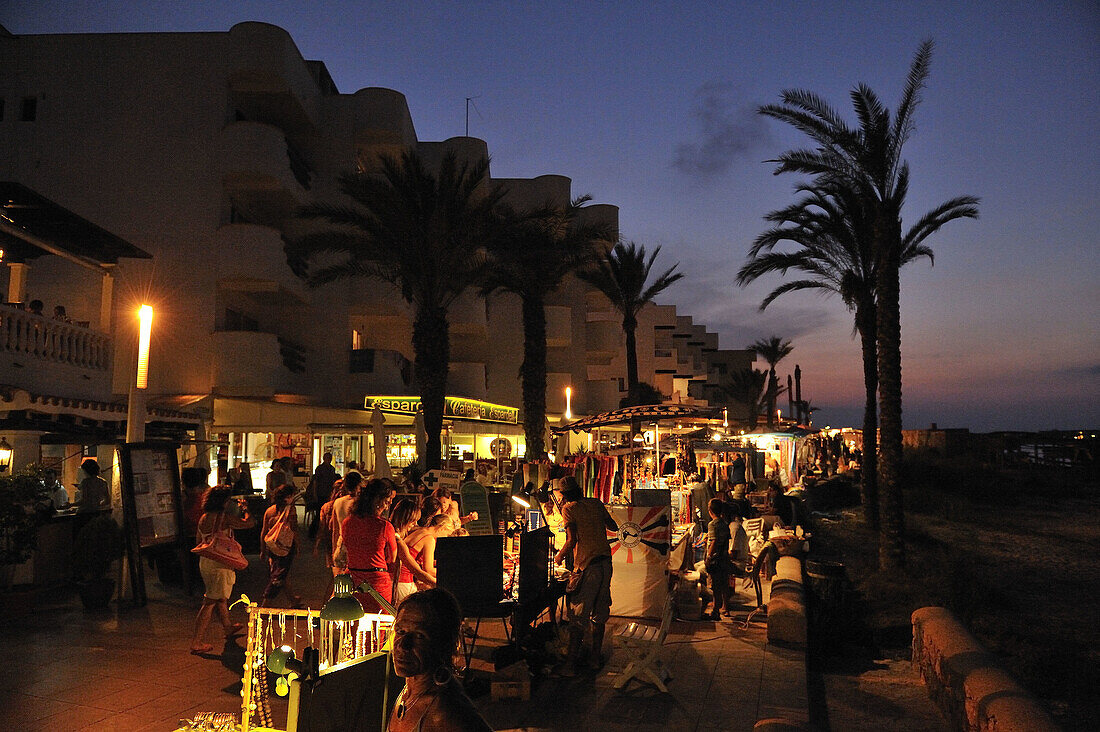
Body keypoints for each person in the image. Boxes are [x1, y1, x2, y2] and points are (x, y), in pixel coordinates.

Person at [388, 588, 492, 732]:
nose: (403, 645)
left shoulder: (445, 710)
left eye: (419, 635)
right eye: (400, 631)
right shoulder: (409, 693)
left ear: (443, 643)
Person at [553, 475, 618, 676]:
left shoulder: (568, 509)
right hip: (605, 562)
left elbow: (571, 540)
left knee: (578, 615)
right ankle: (595, 660)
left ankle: (570, 666)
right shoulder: (596, 503)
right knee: (599, 614)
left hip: (588, 566)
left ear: (564, 495)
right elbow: (613, 526)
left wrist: (558, 557)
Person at [190, 486, 254, 653]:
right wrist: (245, 508)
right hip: (220, 564)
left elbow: (199, 540)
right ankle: (197, 642)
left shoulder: (203, 518)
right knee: (209, 601)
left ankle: (228, 627)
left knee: (220, 598)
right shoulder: (224, 518)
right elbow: (249, 523)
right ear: (224, 502)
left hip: (206, 562)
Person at [338, 478, 397, 612]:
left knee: (351, 625)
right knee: (378, 626)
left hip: (353, 579)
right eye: (387, 502)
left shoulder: (347, 522)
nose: (387, 506)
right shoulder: (384, 526)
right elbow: (391, 558)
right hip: (377, 583)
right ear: (378, 501)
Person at [259, 484, 302, 608]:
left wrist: (262, 549)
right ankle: (265, 604)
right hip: (286, 547)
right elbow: (294, 529)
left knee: (281, 573)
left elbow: (264, 531)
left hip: (272, 546)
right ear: (288, 497)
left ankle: (293, 600)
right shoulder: (291, 510)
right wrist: (298, 545)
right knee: (279, 576)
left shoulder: (270, 511)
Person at [390, 498, 436, 605]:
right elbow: (417, 571)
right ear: (406, 518)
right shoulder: (398, 540)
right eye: (413, 520)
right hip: (399, 585)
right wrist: (438, 584)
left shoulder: (393, 533)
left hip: (395, 583)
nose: (415, 524)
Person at [705, 498, 733, 620]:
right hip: (724, 557)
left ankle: (716, 611)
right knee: (724, 584)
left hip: (716, 559)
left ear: (710, 510)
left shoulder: (712, 525)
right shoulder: (725, 524)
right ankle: (725, 607)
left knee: (716, 585)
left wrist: (709, 557)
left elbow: (714, 541)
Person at [307, 452, 338, 539]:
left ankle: (322, 532)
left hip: (328, 492)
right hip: (321, 492)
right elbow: (315, 482)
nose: (329, 460)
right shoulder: (320, 469)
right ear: (324, 459)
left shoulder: (332, 469)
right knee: (319, 514)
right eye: (327, 458)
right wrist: (315, 493)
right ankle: (313, 532)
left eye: (330, 458)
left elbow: (332, 482)